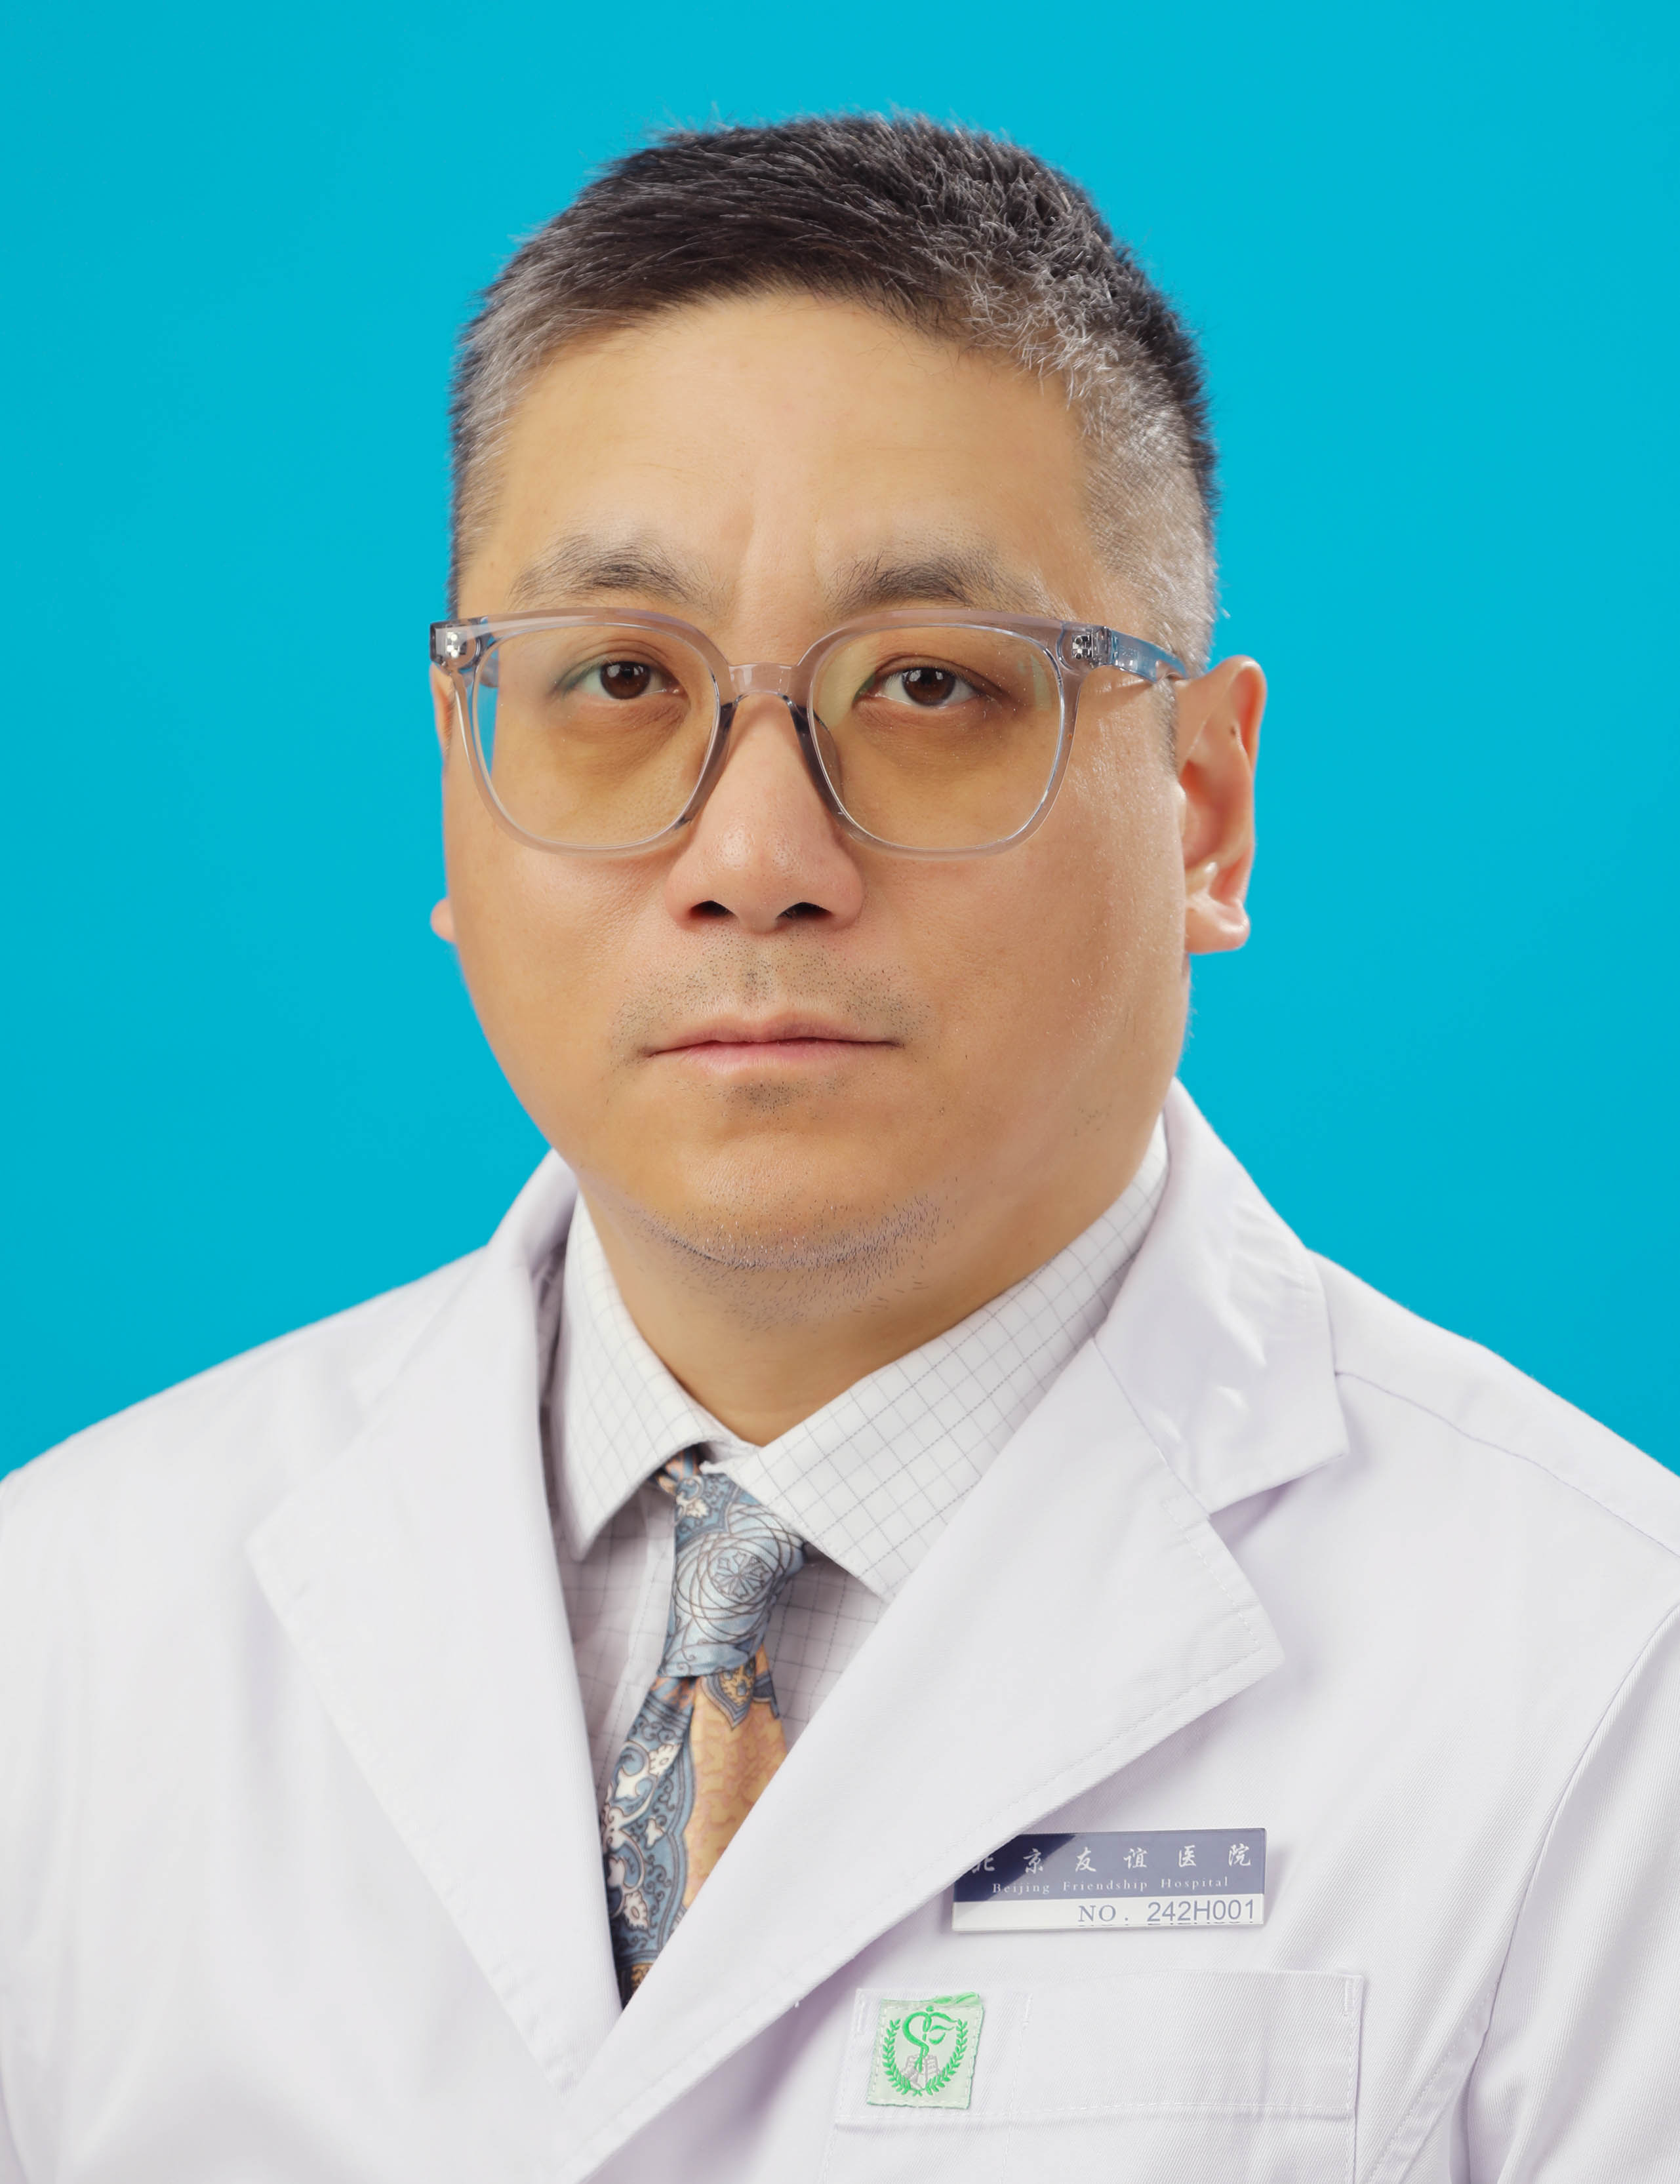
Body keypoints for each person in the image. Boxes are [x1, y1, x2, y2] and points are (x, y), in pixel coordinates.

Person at [1, 115, 1675, 2184]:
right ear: (456, 779)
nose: (756, 854)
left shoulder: (1609, 1685)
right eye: (619, 676)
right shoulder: (66, 1630)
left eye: (931, 686)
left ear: (1203, 808)